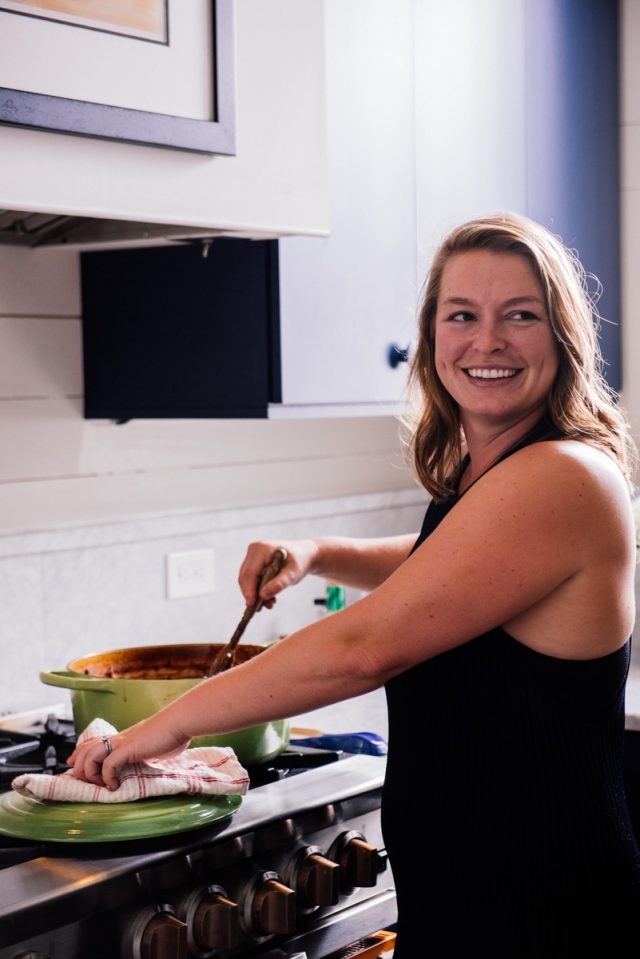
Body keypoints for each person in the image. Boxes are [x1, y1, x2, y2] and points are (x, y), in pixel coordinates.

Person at [69, 213, 640, 957]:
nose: (487, 340)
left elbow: (362, 647)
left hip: (542, 910)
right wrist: (317, 551)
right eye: (461, 315)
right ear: (432, 338)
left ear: (562, 337)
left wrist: (164, 727)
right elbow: (444, 560)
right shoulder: (501, 471)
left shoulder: (561, 475)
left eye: (520, 316)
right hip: (480, 893)